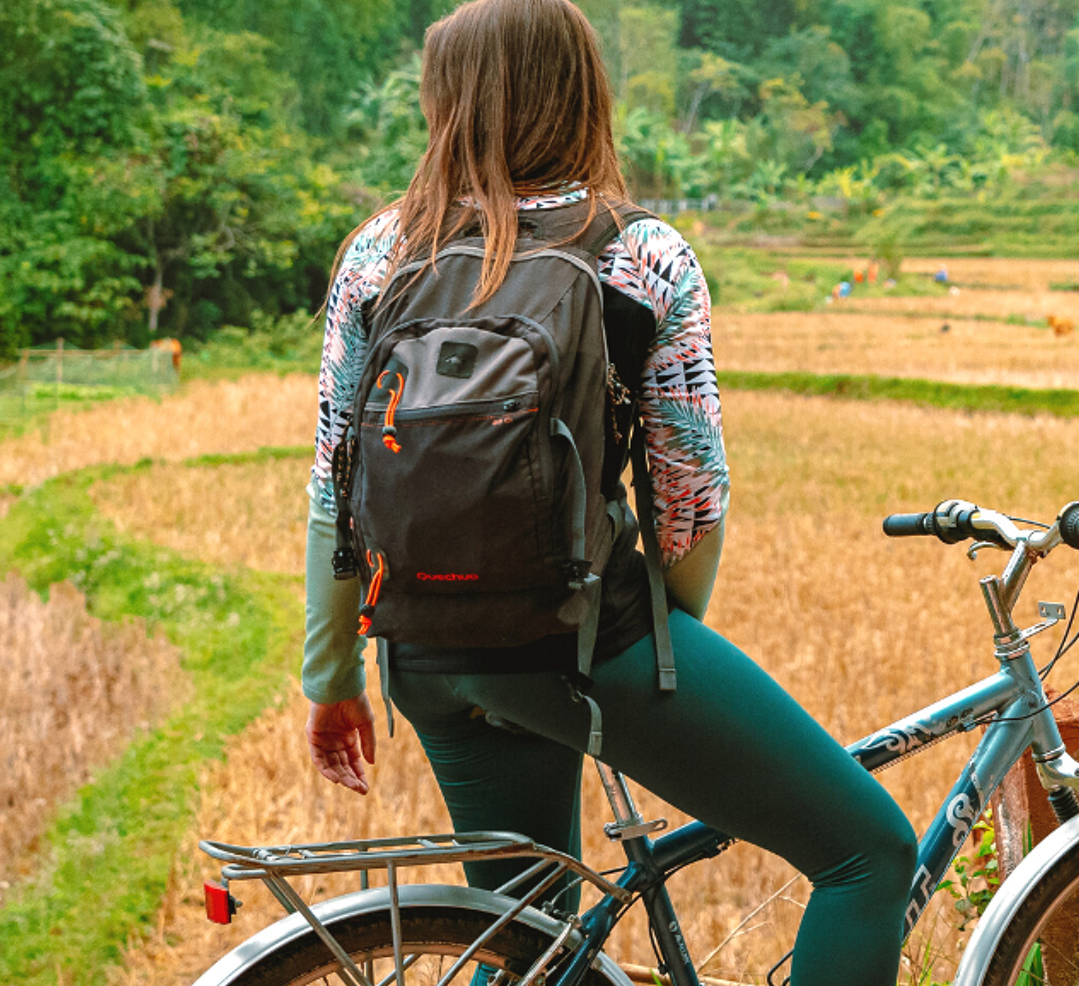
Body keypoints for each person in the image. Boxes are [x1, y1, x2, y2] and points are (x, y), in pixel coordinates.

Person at [297, 3, 917, 984]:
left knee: (527, 939)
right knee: (867, 854)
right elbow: (690, 495)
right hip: (585, 644)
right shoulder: (640, 253)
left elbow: (336, 483)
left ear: (443, 101)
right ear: (582, 90)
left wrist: (329, 676)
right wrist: (665, 644)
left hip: (422, 654)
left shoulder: (378, 252)